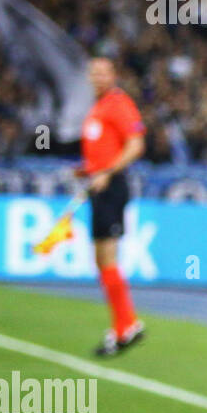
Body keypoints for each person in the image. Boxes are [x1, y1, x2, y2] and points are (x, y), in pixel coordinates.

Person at [77, 56, 146, 357]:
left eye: (103, 71)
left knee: (107, 256)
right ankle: (123, 324)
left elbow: (136, 144)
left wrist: (107, 172)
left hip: (112, 187)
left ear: (113, 74)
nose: (98, 76)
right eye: (94, 72)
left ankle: (125, 327)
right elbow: (105, 149)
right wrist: (88, 169)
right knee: (100, 259)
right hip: (99, 184)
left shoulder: (118, 103)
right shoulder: (99, 106)